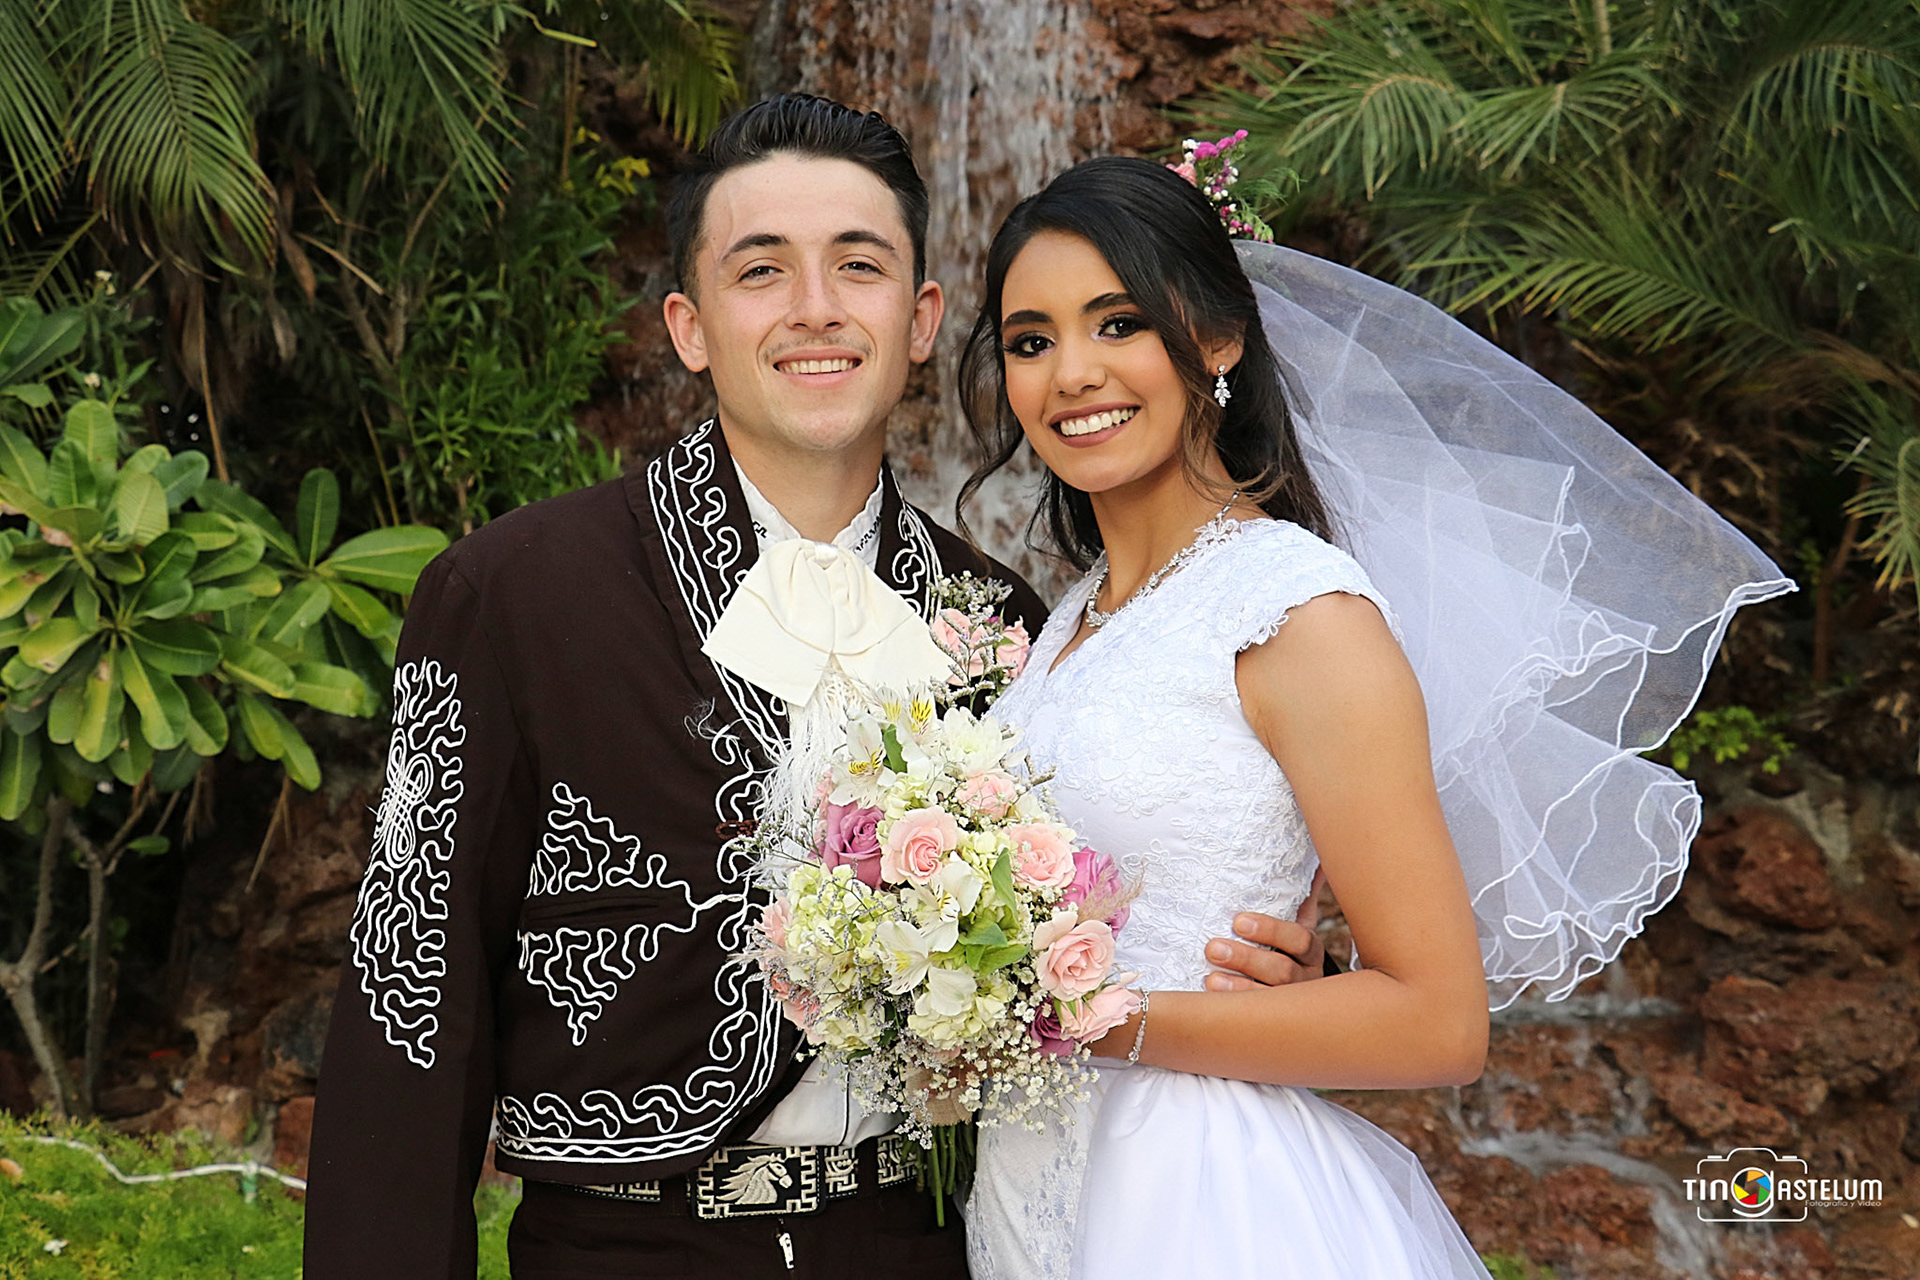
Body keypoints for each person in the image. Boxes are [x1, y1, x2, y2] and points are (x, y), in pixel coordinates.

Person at [301, 97, 1321, 1280]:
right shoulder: (514, 595)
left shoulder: (1007, 626)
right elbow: (408, 999)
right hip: (627, 1248)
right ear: (689, 326)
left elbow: (1100, 913)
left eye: (859, 264)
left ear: (921, 319)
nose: (816, 308)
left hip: (931, 1246)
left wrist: (1284, 987)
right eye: (761, 270)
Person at [956, 156, 1792, 1279]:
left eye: (1120, 323)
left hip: (1200, 1202)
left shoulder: (1297, 613)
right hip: (1030, 1186)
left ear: (1216, 339)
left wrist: (1091, 1017)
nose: (1072, 373)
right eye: (1031, 340)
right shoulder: (1073, 622)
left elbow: (1438, 1021)